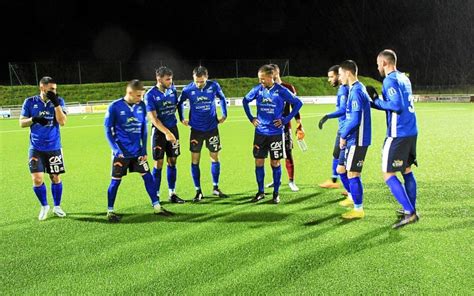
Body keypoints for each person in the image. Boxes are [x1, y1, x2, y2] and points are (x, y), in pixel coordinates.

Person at [367, 49, 419, 229]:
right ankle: (410, 209)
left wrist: (376, 101)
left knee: (388, 173)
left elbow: (396, 106)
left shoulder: (389, 80)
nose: (377, 67)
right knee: (406, 170)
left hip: (399, 134)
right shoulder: (404, 77)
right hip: (411, 131)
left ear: (384, 63)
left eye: (378, 64)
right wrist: (379, 102)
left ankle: (410, 212)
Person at [104, 80, 167, 223]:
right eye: (138, 95)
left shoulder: (142, 105)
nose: (140, 98)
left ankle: (157, 207)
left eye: (142, 95)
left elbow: (144, 129)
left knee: (148, 177)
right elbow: (107, 130)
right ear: (130, 93)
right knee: (115, 182)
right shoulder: (114, 107)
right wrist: (115, 149)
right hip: (121, 152)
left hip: (137, 152)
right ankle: (110, 210)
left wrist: (144, 149)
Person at [242, 64, 303, 204]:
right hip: (260, 133)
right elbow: (245, 101)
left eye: (263, 79)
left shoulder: (281, 90)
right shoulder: (258, 90)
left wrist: (285, 119)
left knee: (275, 162)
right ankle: (260, 192)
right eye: (259, 79)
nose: (260, 81)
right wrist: (251, 118)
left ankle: (276, 194)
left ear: (271, 77)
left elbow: (298, 103)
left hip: (276, 133)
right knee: (258, 161)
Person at [20, 76, 67, 220]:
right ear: (42, 88)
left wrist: (56, 104)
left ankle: (57, 206)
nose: (54, 91)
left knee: (55, 177)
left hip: (54, 146)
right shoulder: (29, 102)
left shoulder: (59, 101)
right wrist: (34, 119)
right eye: (51, 89)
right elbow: (21, 123)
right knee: (37, 179)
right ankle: (44, 205)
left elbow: (62, 122)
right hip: (36, 148)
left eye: (55, 89)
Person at [178, 66, 228, 202]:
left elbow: (222, 99)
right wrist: (182, 117)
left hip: (212, 128)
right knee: (195, 160)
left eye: (201, 81)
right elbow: (180, 103)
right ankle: (198, 190)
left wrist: (224, 114)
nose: (199, 84)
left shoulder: (214, 86)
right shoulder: (188, 89)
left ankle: (215, 187)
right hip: (196, 130)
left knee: (214, 158)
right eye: (196, 81)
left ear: (207, 77)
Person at [144, 66, 185, 204]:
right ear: (159, 79)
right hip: (159, 133)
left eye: (171, 79)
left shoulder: (172, 90)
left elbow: (178, 105)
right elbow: (153, 119)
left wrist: (182, 118)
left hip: (173, 129)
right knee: (158, 163)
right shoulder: (150, 95)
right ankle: (155, 196)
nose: (170, 81)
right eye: (167, 79)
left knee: (173, 161)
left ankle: (172, 193)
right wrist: (166, 132)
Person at [337, 60, 372, 219]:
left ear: (348, 73)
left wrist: (343, 136)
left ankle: (358, 209)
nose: (339, 77)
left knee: (353, 174)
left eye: (340, 74)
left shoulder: (357, 90)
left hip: (358, 140)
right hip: (351, 138)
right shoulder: (353, 89)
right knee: (341, 170)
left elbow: (355, 120)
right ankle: (352, 198)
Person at [265, 63, 304, 192]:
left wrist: (299, 125)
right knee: (274, 154)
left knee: (288, 153)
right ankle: (276, 179)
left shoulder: (288, 87)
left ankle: (291, 181)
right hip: (271, 128)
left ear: (276, 73)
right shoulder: (266, 89)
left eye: (271, 72)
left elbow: (295, 106)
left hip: (285, 126)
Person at [318, 65, 353, 205]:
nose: (329, 79)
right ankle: (336, 182)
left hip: (346, 128)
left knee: (344, 161)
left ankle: (351, 192)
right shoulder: (343, 89)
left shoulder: (343, 89)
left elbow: (343, 110)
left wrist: (327, 116)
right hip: (343, 127)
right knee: (337, 155)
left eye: (331, 76)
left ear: (339, 75)